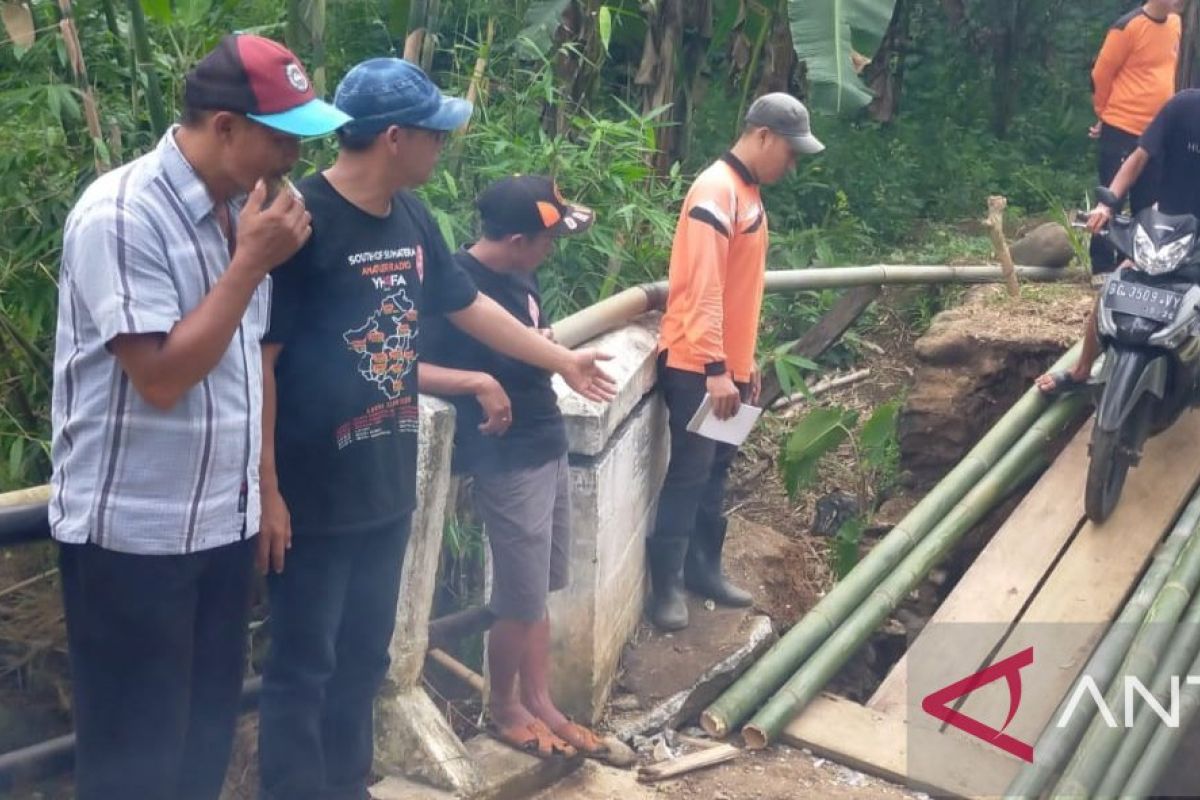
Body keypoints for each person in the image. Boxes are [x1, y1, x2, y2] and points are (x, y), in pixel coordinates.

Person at [257, 59, 616, 800]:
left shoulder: (412, 217)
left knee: (362, 659)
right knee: (302, 667)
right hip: (312, 489)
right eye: (435, 135)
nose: (442, 148)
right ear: (394, 137)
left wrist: (562, 360)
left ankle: (346, 787)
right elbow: (262, 361)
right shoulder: (304, 221)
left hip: (386, 483)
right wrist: (265, 488)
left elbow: (469, 308)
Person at [48, 34, 347, 800]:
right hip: (133, 543)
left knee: (200, 752)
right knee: (133, 768)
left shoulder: (242, 211)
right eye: (280, 137)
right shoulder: (120, 214)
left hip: (219, 528)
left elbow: (248, 367)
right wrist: (250, 265)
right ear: (223, 126)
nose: (291, 158)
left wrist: (260, 493)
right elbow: (161, 377)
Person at [422, 175, 607, 759]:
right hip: (506, 456)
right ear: (521, 239)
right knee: (519, 597)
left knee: (541, 590)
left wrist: (546, 344)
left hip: (545, 436)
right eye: (547, 240)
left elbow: (526, 340)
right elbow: (407, 367)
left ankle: (541, 699)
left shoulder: (520, 275)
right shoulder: (455, 285)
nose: (552, 251)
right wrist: (477, 382)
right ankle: (504, 705)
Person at [646, 93, 824, 631]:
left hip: (729, 365)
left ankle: (704, 569)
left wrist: (744, 368)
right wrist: (716, 369)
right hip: (697, 365)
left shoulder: (745, 192)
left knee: (716, 472)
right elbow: (701, 288)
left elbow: (739, 289)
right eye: (790, 153)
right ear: (763, 136)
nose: (791, 166)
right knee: (690, 473)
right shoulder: (715, 191)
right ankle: (666, 589)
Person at [1037, 85, 1200, 396]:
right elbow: (1138, 158)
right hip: (1165, 228)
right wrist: (1107, 204)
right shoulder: (1182, 106)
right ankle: (1081, 369)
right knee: (1118, 283)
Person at [1086, 0, 1181, 274]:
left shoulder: (1175, 24)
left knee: (1148, 202)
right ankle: (1102, 267)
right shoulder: (1127, 27)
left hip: (1158, 131)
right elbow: (1101, 74)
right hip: (1122, 125)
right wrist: (1104, 114)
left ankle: (1134, 264)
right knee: (1111, 198)